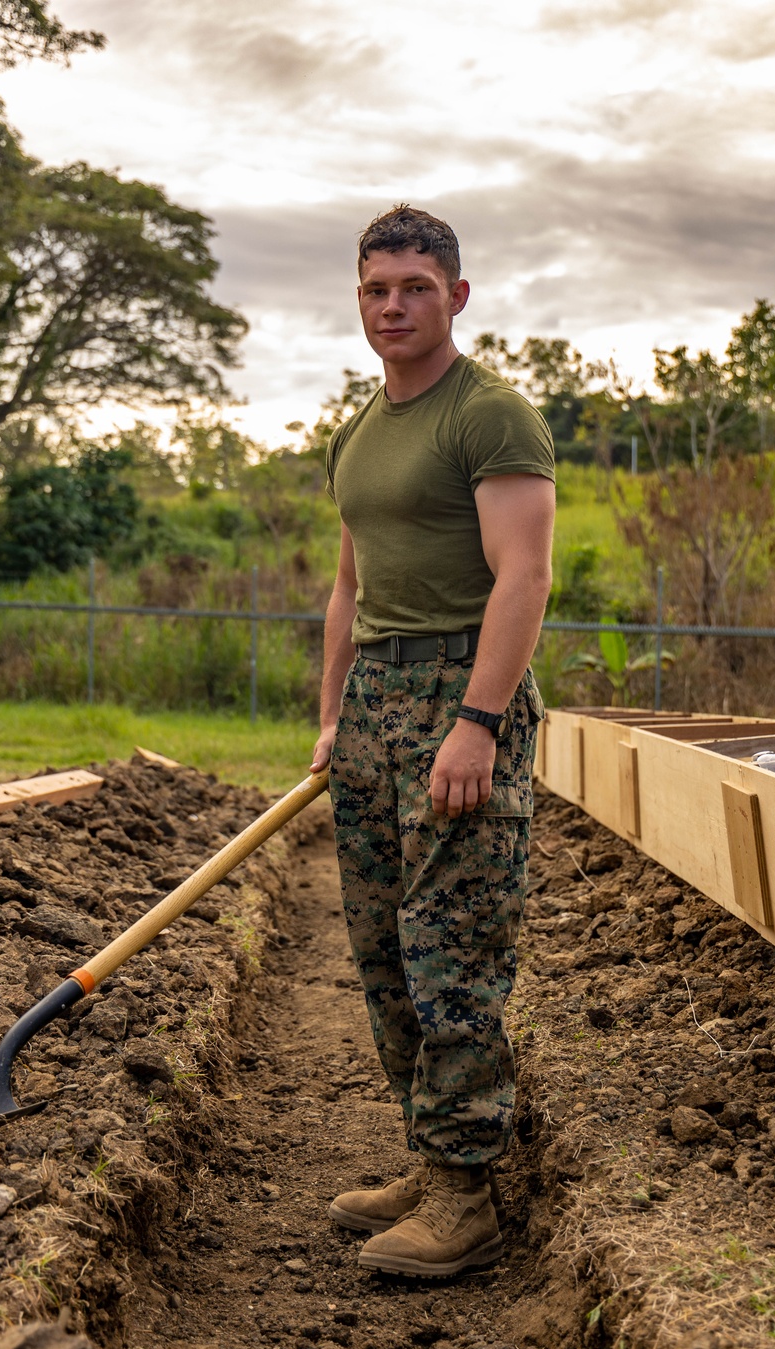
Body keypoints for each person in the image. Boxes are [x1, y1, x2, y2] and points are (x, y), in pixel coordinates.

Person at [310, 204, 555, 1277]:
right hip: (376, 702)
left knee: (451, 950)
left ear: (455, 296)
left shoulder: (490, 415)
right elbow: (349, 584)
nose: (392, 306)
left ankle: (466, 1197)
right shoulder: (360, 430)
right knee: (381, 951)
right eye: (375, 288)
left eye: (414, 287)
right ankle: (426, 1153)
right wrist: (331, 717)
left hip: (462, 693)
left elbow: (525, 576)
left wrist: (478, 724)